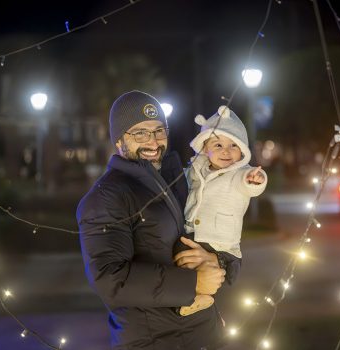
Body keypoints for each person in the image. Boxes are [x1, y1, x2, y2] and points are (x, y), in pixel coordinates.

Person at [77, 91, 239, 350]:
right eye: (139, 133)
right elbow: (109, 279)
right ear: (119, 139)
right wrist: (193, 283)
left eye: (158, 131)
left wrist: (218, 262)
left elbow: (223, 232)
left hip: (206, 335)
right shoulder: (106, 197)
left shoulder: (181, 181)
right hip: (153, 341)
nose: (153, 142)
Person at [174, 105, 267, 316]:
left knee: (203, 270)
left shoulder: (239, 174)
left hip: (220, 243)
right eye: (218, 144)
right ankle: (197, 299)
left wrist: (256, 180)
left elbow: (250, 185)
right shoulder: (195, 171)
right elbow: (181, 183)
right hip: (192, 235)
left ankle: (201, 298)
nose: (226, 151)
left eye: (233, 145)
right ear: (204, 147)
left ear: (242, 150)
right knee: (182, 263)